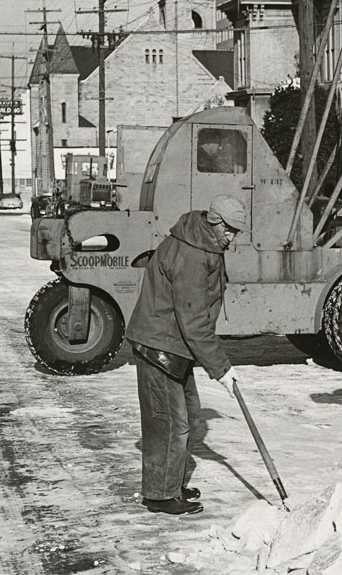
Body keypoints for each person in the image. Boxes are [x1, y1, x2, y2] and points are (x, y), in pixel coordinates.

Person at [125, 194, 250, 515]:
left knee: (189, 415)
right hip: (159, 345)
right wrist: (221, 369)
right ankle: (160, 495)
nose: (233, 238)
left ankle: (171, 481)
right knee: (169, 422)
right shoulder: (194, 255)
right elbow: (193, 319)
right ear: (214, 222)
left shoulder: (204, 243)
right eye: (230, 230)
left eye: (237, 231)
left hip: (174, 344)